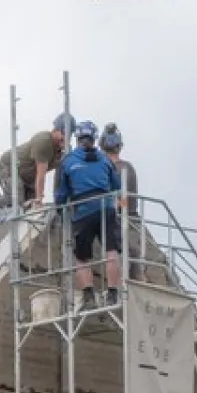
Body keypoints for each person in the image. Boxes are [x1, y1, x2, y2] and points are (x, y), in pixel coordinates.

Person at [55, 120, 123, 307]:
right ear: (95, 138)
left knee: (82, 257)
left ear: (77, 138)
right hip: (106, 209)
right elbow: (117, 186)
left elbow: (61, 193)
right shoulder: (105, 160)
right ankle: (112, 293)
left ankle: (89, 295)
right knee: (111, 251)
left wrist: (60, 211)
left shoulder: (68, 161)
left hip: (82, 211)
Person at [0, 112, 75, 213]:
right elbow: (41, 175)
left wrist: (58, 202)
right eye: (63, 133)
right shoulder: (44, 142)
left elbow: (59, 178)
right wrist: (39, 200)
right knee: (16, 203)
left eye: (69, 135)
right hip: (9, 167)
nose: (65, 138)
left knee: (27, 210)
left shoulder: (63, 151)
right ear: (55, 130)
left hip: (28, 177)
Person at [100, 123, 145, 281]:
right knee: (135, 266)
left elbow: (121, 201)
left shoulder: (108, 169)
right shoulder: (129, 167)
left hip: (119, 221)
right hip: (133, 220)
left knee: (118, 261)